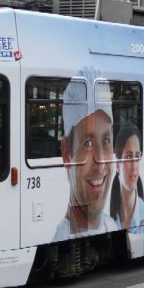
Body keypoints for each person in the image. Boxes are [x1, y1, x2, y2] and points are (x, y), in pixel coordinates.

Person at [53, 67, 117, 240]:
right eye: (87, 143)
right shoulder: (62, 240)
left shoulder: (112, 226)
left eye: (106, 141)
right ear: (66, 153)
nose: (101, 164)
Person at [109, 123, 144, 255]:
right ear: (117, 164)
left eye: (137, 156)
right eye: (129, 157)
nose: (134, 166)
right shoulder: (107, 219)